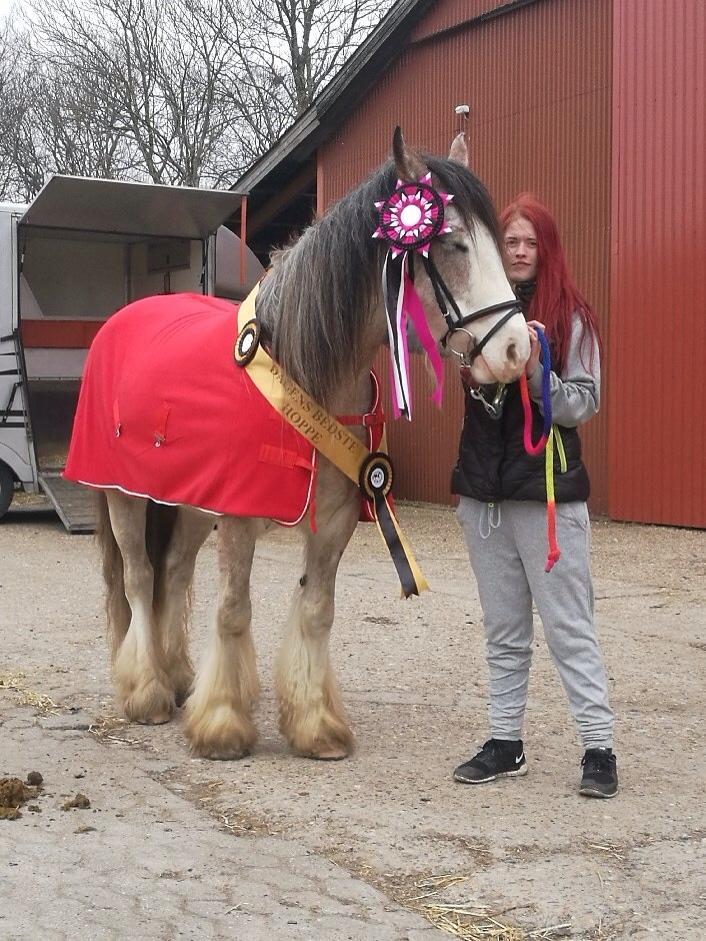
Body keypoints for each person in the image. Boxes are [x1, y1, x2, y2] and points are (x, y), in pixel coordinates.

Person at [451, 193, 618, 798]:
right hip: (485, 496)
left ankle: (598, 748)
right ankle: (505, 741)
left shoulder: (572, 317)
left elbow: (583, 401)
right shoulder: (476, 313)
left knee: (569, 625)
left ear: (546, 249)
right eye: (511, 243)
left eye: (529, 243)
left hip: (548, 497)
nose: (520, 253)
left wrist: (537, 374)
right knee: (502, 628)